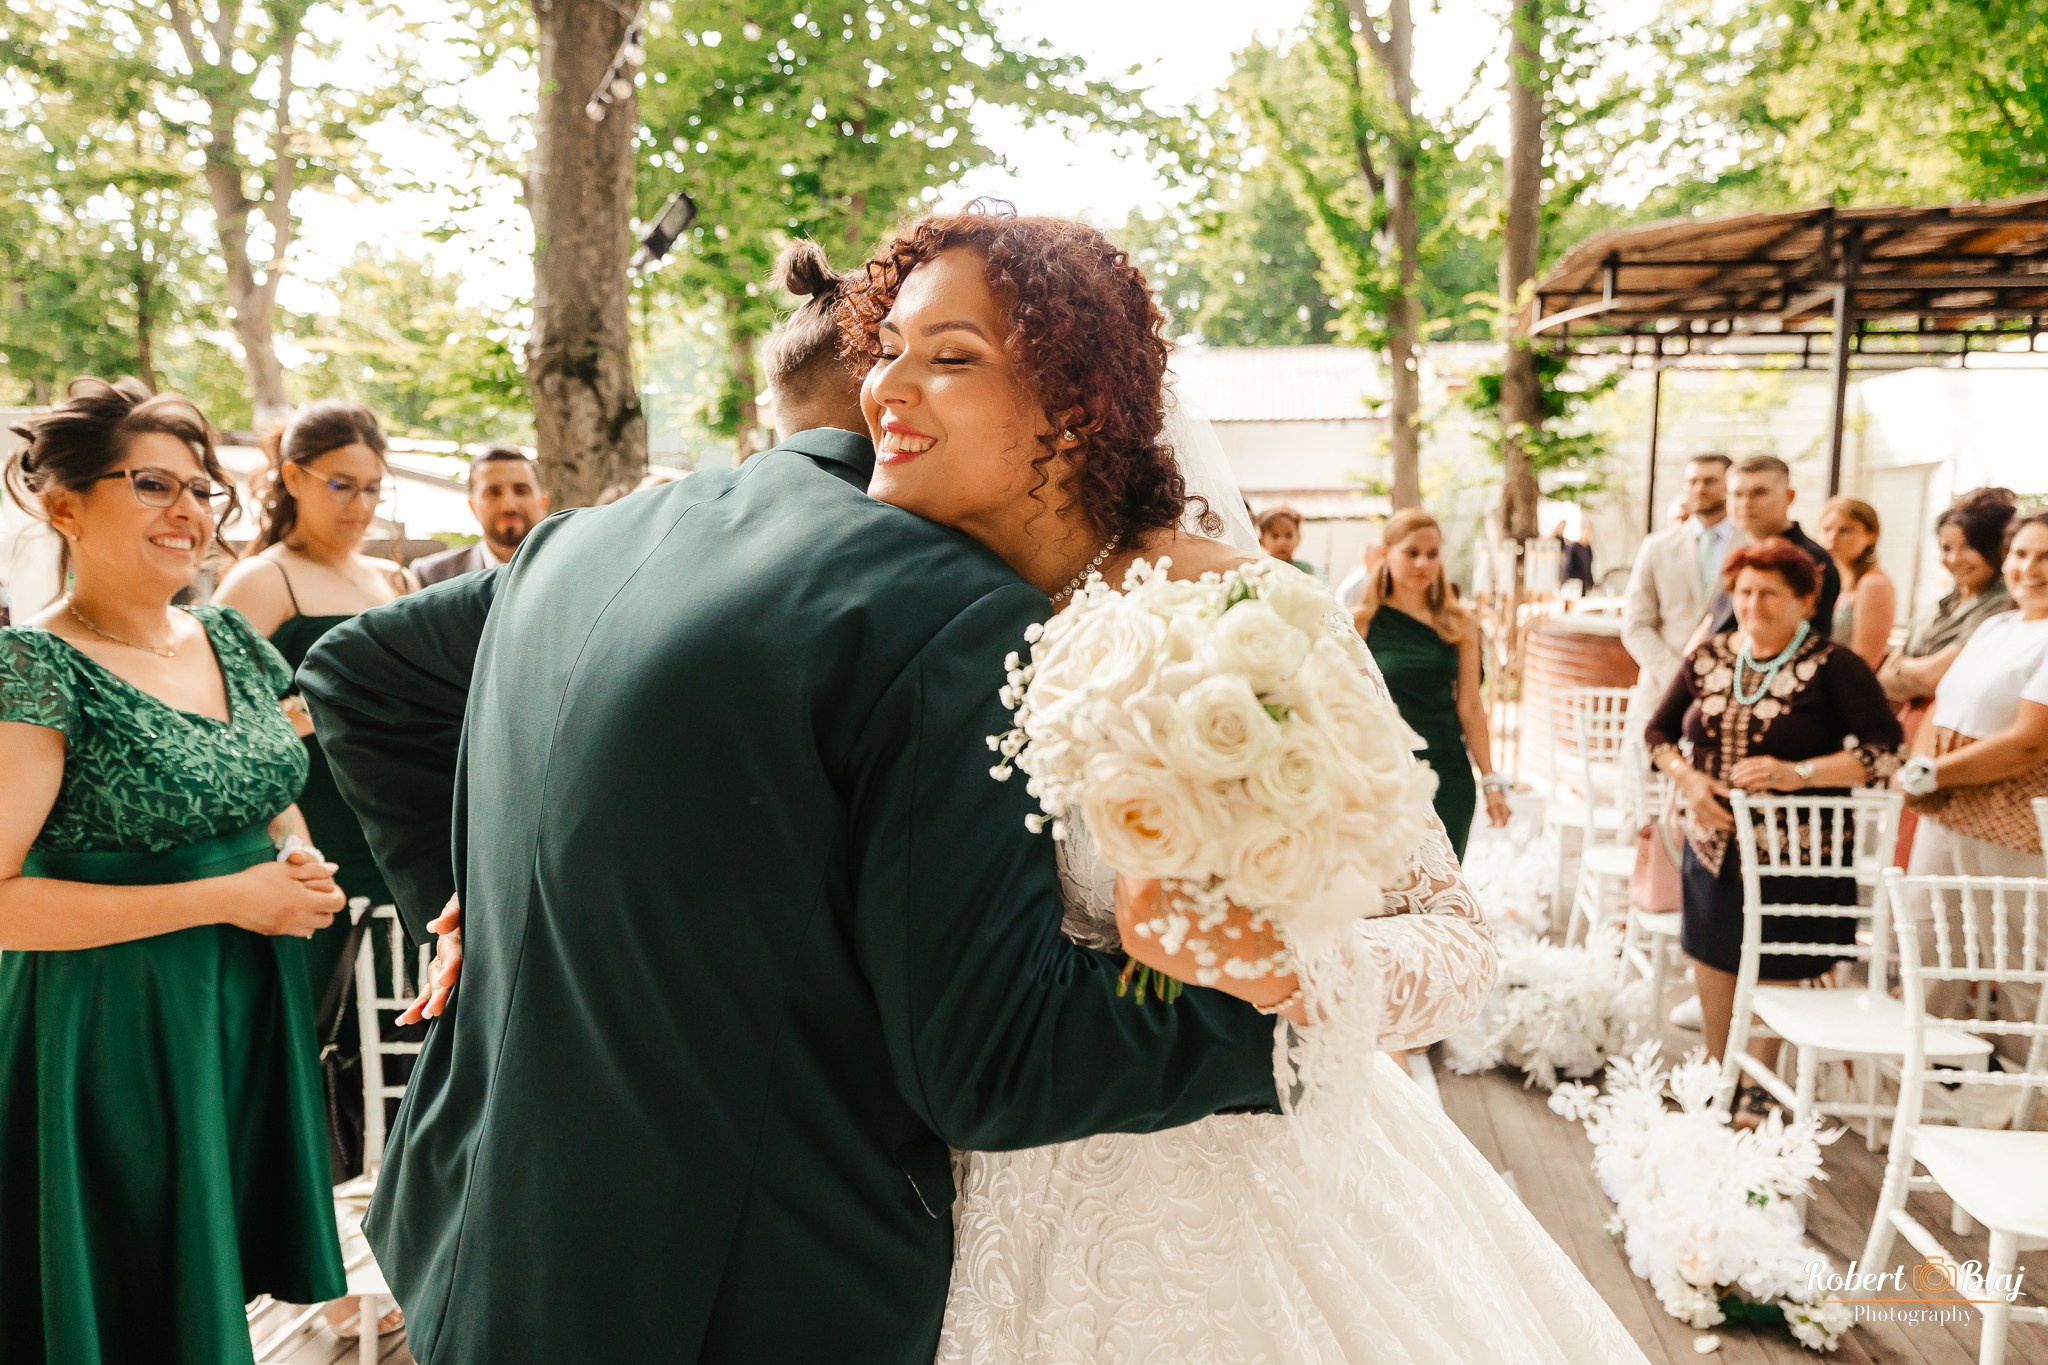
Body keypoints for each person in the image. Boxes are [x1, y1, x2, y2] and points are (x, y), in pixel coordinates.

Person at [294, 242, 1288, 1361]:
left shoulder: (582, 541)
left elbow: (355, 675)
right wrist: (1287, 1035)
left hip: (476, 1227)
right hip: (732, 1286)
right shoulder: (942, 607)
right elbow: (990, 1063)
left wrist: (472, 897)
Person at [847, 207, 1640, 1363]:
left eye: (949, 356)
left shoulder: (1245, 619)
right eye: (891, 348)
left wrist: (1271, 963)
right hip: (962, 1211)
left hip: (1228, 1202)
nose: (885, 388)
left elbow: (1455, 941)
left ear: (1071, 410)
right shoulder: (917, 610)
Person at [0, 378, 347, 1362]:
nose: (190, 512)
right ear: (63, 505)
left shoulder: (230, 638)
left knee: (209, 1281)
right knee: (130, 1295)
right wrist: (231, 896)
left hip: (243, 1001)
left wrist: (293, 853)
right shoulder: (34, 666)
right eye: (154, 485)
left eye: (203, 491)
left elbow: (267, 787)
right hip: (115, 1024)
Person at [212, 404, 416, 1232]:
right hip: (304, 842)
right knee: (305, 1046)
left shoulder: (395, 581)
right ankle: (309, 1244)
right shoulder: (264, 581)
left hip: (396, 840)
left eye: (373, 488)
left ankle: (397, 1236)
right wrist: (280, 714)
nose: (361, 506)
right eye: (342, 486)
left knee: (399, 1054)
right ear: (291, 477)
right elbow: (205, 702)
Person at [1644, 538, 1904, 1128]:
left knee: (1778, 957)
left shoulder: (1835, 666)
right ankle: (1716, 1070)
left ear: (1806, 600)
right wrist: (1688, 782)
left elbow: (1887, 751)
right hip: (1712, 842)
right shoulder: (1707, 657)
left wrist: (1799, 773)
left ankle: (1756, 1082)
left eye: (1769, 592)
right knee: (1711, 952)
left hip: (1798, 849)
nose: (1752, 603)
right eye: (1743, 591)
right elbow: (1658, 735)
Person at [1894, 511, 2048, 1034]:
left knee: (2021, 960)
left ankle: (2031, 1102)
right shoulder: (1997, 624)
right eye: (2023, 554)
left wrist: (1933, 773)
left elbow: (2028, 744)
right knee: (1927, 944)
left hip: (2013, 813)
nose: (2031, 568)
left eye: (2046, 556)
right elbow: (1941, 703)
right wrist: (1918, 767)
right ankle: (1921, 1079)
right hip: (1947, 801)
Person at [1353, 508, 1512, 861]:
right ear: (1387, 553)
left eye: (1432, 553)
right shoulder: (1361, 624)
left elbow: (1470, 707)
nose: (1423, 562)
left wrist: (1490, 780)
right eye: (1412, 552)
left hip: (1449, 775)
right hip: (1385, 777)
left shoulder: (1459, 625)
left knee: (1444, 893)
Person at [1878, 487, 2018, 706]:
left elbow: (1933, 677)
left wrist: (1900, 667)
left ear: (1997, 548)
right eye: (1946, 548)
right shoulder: (1938, 606)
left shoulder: (2004, 606)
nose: (1954, 559)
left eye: (1968, 547)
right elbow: (1884, 681)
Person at [1623, 453, 1734, 723]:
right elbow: (1635, 625)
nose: (1699, 488)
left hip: (1731, 695)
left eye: (1710, 481)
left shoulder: (1753, 546)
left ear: (1729, 486)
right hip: (1660, 693)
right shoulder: (1656, 546)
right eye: (1692, 481)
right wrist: (1678, 676)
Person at [1700, 454, 1839, 641]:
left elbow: (1811, 642)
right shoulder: (1742, 555)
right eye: (1737, 494)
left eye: (1759, 493)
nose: (1746, 503)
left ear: (1789, 496)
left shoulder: (1809, 559)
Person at [410, 448, 548, 585]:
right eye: (493, 493)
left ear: (543, 502)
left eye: (521, 491)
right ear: (473, 507)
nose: (508, 506)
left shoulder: (567, 571)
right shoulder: (433, 576)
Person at [1818, 496, 1894, 669]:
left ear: (1871, 536)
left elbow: (1864, 663)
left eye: (1845, 530)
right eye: (1826, 529)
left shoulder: (1873, 584)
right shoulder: (1833, 581)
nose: (1832, 538)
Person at [1256, 504, 1317, 577]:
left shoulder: (1305, 570)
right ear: (1262, 541)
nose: (1282, 542)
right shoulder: (1260, 569)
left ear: (1298, 539)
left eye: (1288, 536)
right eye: (1275, 536)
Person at [1333, 532, 1386, 612]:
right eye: (1378, 556)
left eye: (1384, 556)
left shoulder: (1369, 578)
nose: (1383, 561)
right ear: (1366, 558)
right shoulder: (1360, 583)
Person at [1554, 519, 1594, 593]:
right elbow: (1568, 567)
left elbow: (1588, 567)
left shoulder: (1588, 548)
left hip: (1586, 584)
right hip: (1574, 585)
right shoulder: (1575, 548)